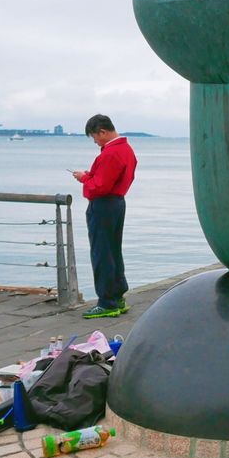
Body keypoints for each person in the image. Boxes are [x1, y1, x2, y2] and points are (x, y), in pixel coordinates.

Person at [72, 115, 137, 319]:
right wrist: (91, 176)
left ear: (103, 132)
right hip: (117, 202)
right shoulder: (126, 150)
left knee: (101, 252)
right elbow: (111, 179)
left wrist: (84, 179)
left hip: (103, 205)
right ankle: (118, 296)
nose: (95, 142)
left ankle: (107, 301)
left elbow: (99, 187)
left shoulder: (110, 153)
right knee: (113, 250)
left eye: (94, 137)